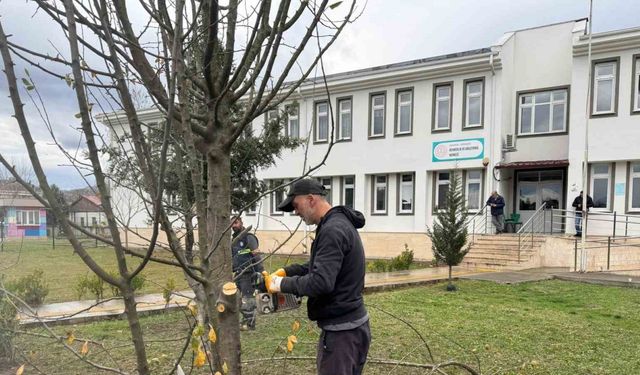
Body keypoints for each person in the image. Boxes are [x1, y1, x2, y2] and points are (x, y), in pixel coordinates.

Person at [261, 178, 370, 375]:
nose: (295, 212)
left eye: (296, 205)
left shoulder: (332, 230)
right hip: (352, 328)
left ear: (311, 199)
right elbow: (324, 267)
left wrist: (280, 284)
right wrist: (289, 271)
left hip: (342, 335)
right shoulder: (337, 223)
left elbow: (321, 282)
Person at [231, 216, 263, 331]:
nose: (234, 226)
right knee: (236, 298)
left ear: (241, 222)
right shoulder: (233, 240)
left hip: (248, 273)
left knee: (248, 299)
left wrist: (261, 272)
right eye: (232, 224)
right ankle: (244, 321)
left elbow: (257, 255)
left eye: (236, 222)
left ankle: (250, 324)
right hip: (238, 274)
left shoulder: (249, 238)